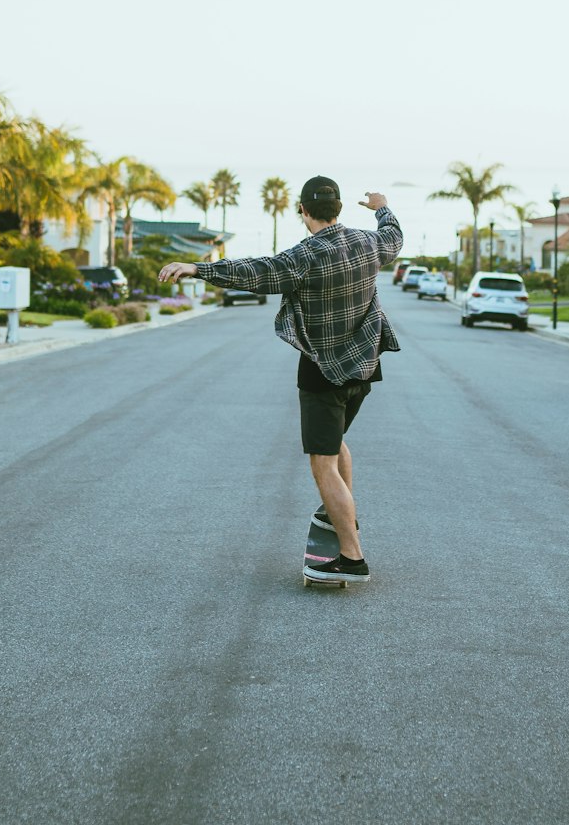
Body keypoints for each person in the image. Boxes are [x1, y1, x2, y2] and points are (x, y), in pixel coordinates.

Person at [158, 177, 402, 583]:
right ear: (339, 209)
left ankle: (352, 557)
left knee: (322, 462)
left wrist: (199, 269)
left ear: (303, 212)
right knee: (335, 440)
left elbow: (255, 272)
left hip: (322, 371)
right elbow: (394, 233)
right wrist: (381, 205)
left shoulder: (303, 257)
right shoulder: (368, 243)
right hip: (365, 365)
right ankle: (336, 512)